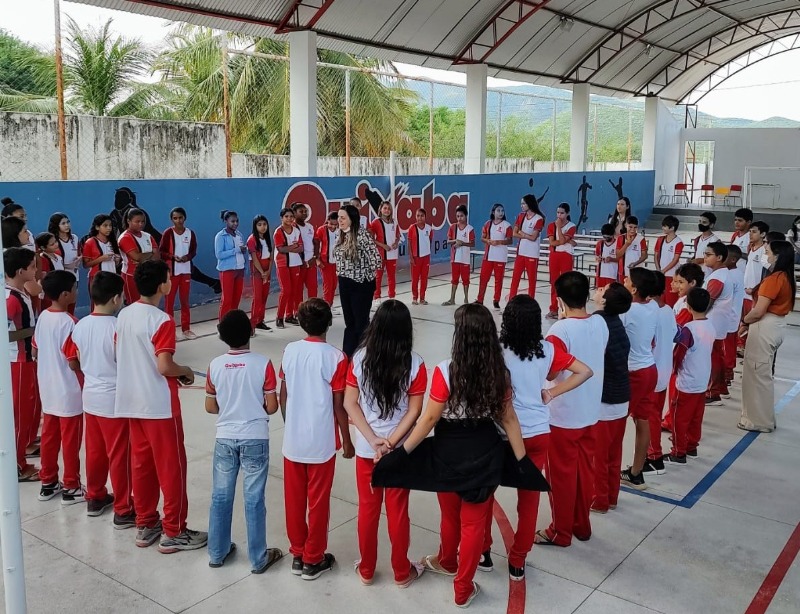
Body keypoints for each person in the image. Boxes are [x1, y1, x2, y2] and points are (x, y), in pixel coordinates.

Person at [372, 304, 540, 608]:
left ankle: (448, 560)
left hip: (448, 452)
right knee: (474, 524)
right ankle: (463, 588)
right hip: (484, 453)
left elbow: (428, 420)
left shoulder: (446, 370)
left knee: (450, 514)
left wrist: (401, 453)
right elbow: (509, 419)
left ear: (460, 336)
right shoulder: (499, 372)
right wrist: (521, 459)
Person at [113, 260, 207, 553]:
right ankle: (175, 530)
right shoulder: (161, 320)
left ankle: (146, 523)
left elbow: (120, 353)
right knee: (172, 468)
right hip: (159, 406)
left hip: (131, 402)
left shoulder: (124, 315)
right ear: (163, 285)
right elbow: (165, 365)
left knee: (141, 465)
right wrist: (185, 371)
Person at [499, 295, 592, 577]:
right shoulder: (547, 349)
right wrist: (550, 392)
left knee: (484, 493)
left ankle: (483, 550)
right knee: (528, 500)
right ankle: (518, 558)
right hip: (539, 431)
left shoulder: (497, 350)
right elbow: (585, 371)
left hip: (503, 434)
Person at [343, 300, 426, 587]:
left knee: (368, 508)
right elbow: (415, 411)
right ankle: (401, 572)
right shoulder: (415, 363)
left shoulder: (360, 358)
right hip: (399, 451)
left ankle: (366, 569)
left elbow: (349, 403)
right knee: (398, 510)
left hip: (369, 450)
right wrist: (391, 442)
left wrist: (372, 439)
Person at [279, 298, 354, 580]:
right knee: (318, 502)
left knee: (294, 501)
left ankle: (298, 553)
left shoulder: (289, 351)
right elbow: (339, 405)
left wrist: (291, 425)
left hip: (294, 441)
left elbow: (283, 395)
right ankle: (314, 557)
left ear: (300, 322)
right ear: (330, 324)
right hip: (321, 442)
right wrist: (347, 440)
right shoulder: (336, 358)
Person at [205, 309, 284, 573]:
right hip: (255, 437)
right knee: (253, 498)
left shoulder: (215, 365)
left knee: (220, 496)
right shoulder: (263, 364)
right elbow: (271, 407)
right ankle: (258, 558)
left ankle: (217, 552)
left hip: (225, 436)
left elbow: (210, 407)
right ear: (251, 331)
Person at [536, 271, 608, 545]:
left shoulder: (560, 331)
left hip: (564, 415)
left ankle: (561, 531)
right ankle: (582, 525)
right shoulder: (601, 324)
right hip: (591, 410)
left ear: (559, 300)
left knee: (561, 477)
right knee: (585, 471)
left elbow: (553, 373)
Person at [70, 272, 135, 524]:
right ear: (117, 298)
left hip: (91, 398)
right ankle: (123, 507)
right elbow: (126, 363)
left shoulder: (80, 325)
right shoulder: (117, 328)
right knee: (119, 455)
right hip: (114, 400)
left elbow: (73, 360)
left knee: (95, 452)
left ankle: (95, 497)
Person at [35, 270, 84, 504]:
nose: (77, 291)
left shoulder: (43, 316)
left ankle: (48, 481)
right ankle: (72, 486)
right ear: (65, 294)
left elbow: (35, 349)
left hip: (48, 388)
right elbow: (73, 361)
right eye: (74, 288)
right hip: (69, 391)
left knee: (49, 437)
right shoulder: (70, 323)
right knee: (71, 441)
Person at [739, 241, 796, 432]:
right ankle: (764, 417)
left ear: (777, 255)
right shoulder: (786, 277)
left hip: (766, 326)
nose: (765, 256)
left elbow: (759, 310)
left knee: (756, 375)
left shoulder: (774, 279)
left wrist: (744, 321)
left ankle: (758, 421)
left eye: (767, 252)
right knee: (761, 374)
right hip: (776, 325)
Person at [591, 282, 632, 514]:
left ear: (605, 301)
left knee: (599, 455)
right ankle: (611, 496)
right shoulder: (616, 323)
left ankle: (599, 500)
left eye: (602, 290)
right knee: (613, 453)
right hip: (621, 396)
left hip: (606, 400)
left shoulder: (599, 322)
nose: (597, 290)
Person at [619, 268, 658, 489]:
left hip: (633, 374)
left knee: (614, 424)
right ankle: (636, 473)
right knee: (643, 421)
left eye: (627, 280)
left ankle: (605, 472)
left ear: (634, 289)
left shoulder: (628, 311)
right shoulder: (652, 306)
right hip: (649, 369)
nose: (623, 280)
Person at [6, 248, 41, 482]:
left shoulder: (20, 292)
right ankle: (16, 466)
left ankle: (20, 457)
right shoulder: (11, 299)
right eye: (32, 267)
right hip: (17, 364)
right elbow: (4, 335)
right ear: (20, 271)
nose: (36, 270)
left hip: (26, 361)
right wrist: (36, 332)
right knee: (18, 417)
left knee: (26, 416)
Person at [669, 288, 715, 462]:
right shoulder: (710, 325)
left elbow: (679, 353)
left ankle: (678, 451)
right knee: (696, 417)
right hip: (702, 379)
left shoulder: (689, 329)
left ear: (687, 306)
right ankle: (691, 446)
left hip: (687, 381)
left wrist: (674, 369)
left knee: (679, 418)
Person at [660, 263, 705, 433]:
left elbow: (678, 327)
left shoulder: (688, 304)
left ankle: (672, 420)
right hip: (683, 351)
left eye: (680, 282)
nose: (675, 285)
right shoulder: (685, 300)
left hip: (680, 351)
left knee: (675, 390)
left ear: (692, 283)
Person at [334, 205, 381, 358]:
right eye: (338, 217)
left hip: (361, 285)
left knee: (360, 323)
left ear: (352, 219)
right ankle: (347, 355)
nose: (339, 221)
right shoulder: (340, 235)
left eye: (343, 217)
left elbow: (377, 260)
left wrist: (364, 275)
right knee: (350, 323)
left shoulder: (362, 235)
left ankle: (364, 356)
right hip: (344, 282)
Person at [644, 271, 678, 474]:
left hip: (652, 371)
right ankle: (652, 453)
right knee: (653, 414)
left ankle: (654, 456)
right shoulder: (667, 310)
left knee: (650, 417)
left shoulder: (650, 314)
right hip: (664, 368)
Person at [160, 207, 197, 340]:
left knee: (184, 301)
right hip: (172, 272)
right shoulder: (168, 233)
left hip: (186, 271)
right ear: (172, 219)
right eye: (175, 218)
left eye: (180, 217)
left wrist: (187, 257)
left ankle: (186, 329)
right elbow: (161, 251)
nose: (178, 220)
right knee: (169, 302)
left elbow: (193, 251)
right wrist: (171, 256)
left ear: (184, 218)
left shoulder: (190, 233)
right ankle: (170, 330)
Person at [702, 242, 733, 406]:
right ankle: (720, 388)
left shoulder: (717, 278)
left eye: (708, 254)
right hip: (718, 322)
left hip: (712, 322)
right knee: (717, 356)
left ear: (719, 257)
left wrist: (698, 318)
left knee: (713, 357)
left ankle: (713, 393)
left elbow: (707, 303)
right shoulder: (720, 275)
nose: (705, 257)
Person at [476, 203, 513, 310]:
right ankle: (480, 299)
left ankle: (496, 300)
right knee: (483, 278)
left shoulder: (507, 225)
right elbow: (482, 238)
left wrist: (499, 242)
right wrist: (488, 240)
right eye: (498, 211)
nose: (501, 213)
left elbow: (510, 240)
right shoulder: (488, 224)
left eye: (502, 211)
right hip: (488, 256)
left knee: (498, 280)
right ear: (493, 212)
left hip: (500, 257)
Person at [118, 208, 159, 304]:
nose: (141, 224)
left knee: (149, 305)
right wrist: (151, 253)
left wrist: (145, 257)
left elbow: (157, 257)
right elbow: (137, 257)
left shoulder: (147, 236)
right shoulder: (125, 238)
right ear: (128, 221)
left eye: (143, 221)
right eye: (137, 222)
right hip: (131, 277)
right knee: (135, 305)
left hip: (148, 276)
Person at [508, 194, 545, 299]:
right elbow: (514, 233)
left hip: (532, 253)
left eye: (523, 203)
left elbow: (533, 237)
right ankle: (511, 300)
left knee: (531, 280)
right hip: (521, 252)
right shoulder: (521, 216)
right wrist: (525, 235)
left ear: (529, 204)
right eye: (521, 204)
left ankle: (531, 302)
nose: (522, 206)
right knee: (515, 279)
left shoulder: (539, 219)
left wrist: (522, 234)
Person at [214, 210, 248, 322]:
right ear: (226, 221)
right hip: (227, 270)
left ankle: (233, 322)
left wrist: (243, 250)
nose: (235, 223)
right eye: (232, 221)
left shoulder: (239, 234)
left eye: (237, 221)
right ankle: (223, 323)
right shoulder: (221, 236)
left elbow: (240, 250)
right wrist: (236, 250)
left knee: (236, 298)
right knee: (227, 299)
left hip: (239, 269)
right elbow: (219, 255)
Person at [273, 208, 304, 329]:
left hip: (295, 263)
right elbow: (281, 249)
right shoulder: (278, 232)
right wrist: (293, 246)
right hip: (282, 264)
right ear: (282, 218)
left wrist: (290, 247)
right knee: (286, 291)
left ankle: (289, 315)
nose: (289, 219)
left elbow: (301, 248)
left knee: (294, 290)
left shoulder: (296, 231)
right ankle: (279, 317)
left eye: (291, 216)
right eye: (286, 216)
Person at [545, 203, 577, 319]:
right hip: (554, 255)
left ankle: (566, 309)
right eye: (558, 213)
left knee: (566, 283)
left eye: (562, 213)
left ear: (567, 213)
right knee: (554, 283)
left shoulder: (571, 226)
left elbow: (562, 241)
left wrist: (559, 228)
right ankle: (553, 309)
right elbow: (552, 243)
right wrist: (568, 241)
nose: (559, 215)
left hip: (566, 255)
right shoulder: (550, 226)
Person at [82, 214, 121, 302]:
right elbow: (85, 264)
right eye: (105, 225)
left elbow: (115, 263)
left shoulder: (112, 242)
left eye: (110, 225)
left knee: (111, 303)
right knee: (97, 304)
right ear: (97, 227)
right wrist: (101, 259)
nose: (109, 228)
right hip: (97, 279)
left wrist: (117, 260)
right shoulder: (90, 242)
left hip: (112, 277)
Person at [48, 213, 81, 311]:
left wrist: (79, 259)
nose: (67, 225)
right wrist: (67, 266)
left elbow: (79, 253)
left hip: (74, 277)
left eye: (68, 222)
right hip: (59, 279)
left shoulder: (74, 238)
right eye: (63, 223)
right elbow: (50, 258)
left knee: (71, 305)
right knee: (61, 308)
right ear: (55, 225)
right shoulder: (53, 241)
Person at [442, 205, 475, 306]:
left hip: (465, 259)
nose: (459, 218)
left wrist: (462, 243)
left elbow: (472, 244)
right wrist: (456, 241)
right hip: (455, 258)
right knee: (454, 279)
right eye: (457, 216)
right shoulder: (453, 227)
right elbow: (448, 241)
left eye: (461, 216)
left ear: (466, 216)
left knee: (466, 280)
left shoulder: (470, 229)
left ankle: (466, 299)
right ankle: (452, 299)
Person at [246, 215, 273, 333]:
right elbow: (254, 259)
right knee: (257, 298)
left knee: (264, 297)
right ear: (255, 226)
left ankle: (260, 321)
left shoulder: (267, 238)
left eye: (265, 224)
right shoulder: (251, 240)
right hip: (257, 270)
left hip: (267, 269)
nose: (263, 227)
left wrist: (268, 271)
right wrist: (262, 272)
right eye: (259, 225)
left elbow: (271, 256)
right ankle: (251, 325)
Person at [370, 201, 400, 301]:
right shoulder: (376, 222)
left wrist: (396, 242)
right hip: (380, 254)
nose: (387, 210)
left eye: (389, 208)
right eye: (385, 208)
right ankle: (377, 297)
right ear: (381, 209)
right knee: (378, 277)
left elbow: (397, 236)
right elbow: (371, 238)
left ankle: (392, 297)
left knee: (391, 277)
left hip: (392, 254)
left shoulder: (394, 222)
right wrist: (383, 245)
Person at [724, 245, 745, 387]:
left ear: (732, 259)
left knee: (726, 348)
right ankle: (728, 374)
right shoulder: (735, 273)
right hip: (731, 317)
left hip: (728, 317)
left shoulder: (731, 275)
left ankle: (726, 376)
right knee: (729, 347)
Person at [654, 215, 683, 307]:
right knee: (660, 300)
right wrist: (659, 269)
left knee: (671, 301)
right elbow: (656, 255)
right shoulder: (660, 239)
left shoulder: (678, 242)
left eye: (665, 226)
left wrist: (664, 270)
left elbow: (675, 259)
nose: (663, 228)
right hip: (662, 275)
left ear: (672, 228)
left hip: (672, 275)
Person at [743, 221, 770, 322]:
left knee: (752, 322)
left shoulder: (765, 250)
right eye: (749, 231)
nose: (750, 234)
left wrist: (755, 289)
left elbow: (767, 274)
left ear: (763, 234)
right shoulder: (750, 248)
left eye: (754, 232)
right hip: (746, 291)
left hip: (755, 293)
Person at [292, 202, 318, 301]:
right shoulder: (293, 228)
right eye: (301, 211)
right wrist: (302, 261)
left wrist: (315, 257)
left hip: (311, 262)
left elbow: (316, 242)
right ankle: (298, 311)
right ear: (294, 213)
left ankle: (313, 310)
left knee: (313, 288)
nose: (304, 213)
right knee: (298, 289)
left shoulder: (310, 226)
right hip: (299, 264)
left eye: (305, 211)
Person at [407, 208, 433, 305]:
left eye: (422, 216)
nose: (420, 218)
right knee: (415, 278)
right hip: (415, 258)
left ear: (425, 217)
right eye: (418, 216)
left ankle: (422, 298)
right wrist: (411, 257)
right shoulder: (412, 228)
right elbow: (409, 243)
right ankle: (415, 297)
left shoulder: (429, 228)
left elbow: (430, 241)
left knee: (424, 278)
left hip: (426, 257)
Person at [313, 212, 339, 306]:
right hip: (325, 262)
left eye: (335, 224)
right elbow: (315, 245)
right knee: (328, 285)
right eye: (331, 224)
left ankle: (329, 305)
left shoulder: (340, 230)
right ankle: (327, 306)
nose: (333, 226)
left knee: (333, 285)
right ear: (327, 221)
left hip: (336, 262)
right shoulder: (321, 230)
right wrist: (317, 260)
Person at [615, 215, 648, 282]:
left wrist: (635, 263)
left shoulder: (641, 239)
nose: (633, 230)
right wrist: (627, 244)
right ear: (625, 225)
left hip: (636, 273)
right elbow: (618, 255)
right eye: (630, 227)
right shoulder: (620, 238)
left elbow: (644, 255)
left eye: (635, 227)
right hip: (623, 272)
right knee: (622, 292)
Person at [691, 211, 719, 276]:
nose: (701, 224)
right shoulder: (697, 239)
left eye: (704, 222)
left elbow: (717, 259)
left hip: (709, 274)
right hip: (697, 274)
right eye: (700, 221)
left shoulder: (715, 240)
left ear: (711, 225)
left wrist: (701, 260)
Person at [595, 224, 618, 289]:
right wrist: (598, 258)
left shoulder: (617, 244)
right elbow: (596, 255)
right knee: (600, 293)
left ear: (613, 234)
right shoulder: (600, 243)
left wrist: (611, 259)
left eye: (608, 237)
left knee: (611, 294)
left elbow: (621, 259)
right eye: (604, 237)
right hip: (600, 274)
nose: (606, 239)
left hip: (612, 274)